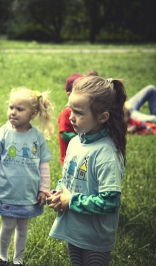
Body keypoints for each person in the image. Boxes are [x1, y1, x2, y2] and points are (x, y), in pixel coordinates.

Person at [45, 76, 127, 266]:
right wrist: (59, 192)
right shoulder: (75, 142)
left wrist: (71, 201)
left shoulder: (106, 153)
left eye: (79, 112)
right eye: (70, 109)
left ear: (102, 117)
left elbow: (110, 201)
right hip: (74, 231)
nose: (70, 116)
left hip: (94, 239)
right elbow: (68, 178)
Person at [0, 88, 54, 266]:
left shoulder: (37, 137)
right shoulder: (3, 133)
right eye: (11, 107)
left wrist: (44, 189)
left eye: (19, 109)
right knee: (7, 226)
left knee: (23, 228)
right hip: (7, 192)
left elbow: (44, 165)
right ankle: (2, 257)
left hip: (28, 194)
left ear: (33, 113)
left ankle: (18, 259)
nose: (13, 112)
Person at [58, 73, 83, 165]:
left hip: (79, 154)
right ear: (69, 94)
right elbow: (64, 134)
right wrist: (81, 139)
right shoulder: (67, 112)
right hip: (68, 157)